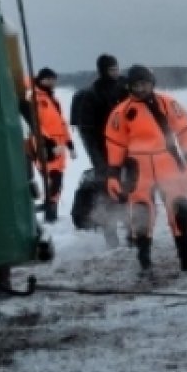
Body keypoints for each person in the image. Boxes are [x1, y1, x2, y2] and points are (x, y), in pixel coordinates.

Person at [105, 65, 187, 274]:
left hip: (168, 164)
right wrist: (113, 175)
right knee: (141, 214)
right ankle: (145, 263)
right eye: (136, 85)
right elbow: (115, 145)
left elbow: (185, 131)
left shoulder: (168, 104)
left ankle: (186, 260)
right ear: (129, 86)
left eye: (145, 84)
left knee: (180, 211)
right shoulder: (120, 113)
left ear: (152, 83)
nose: (141, 89)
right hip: (138, 170)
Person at [70, 54, 128, 244]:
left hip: (124, 147)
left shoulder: (123, 88)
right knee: (106, 191)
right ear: (102, 70)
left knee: (129, 188)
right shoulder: (92, 94)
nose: (115, 72)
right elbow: (88, 132)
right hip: (102, 149)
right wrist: (99, 160)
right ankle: (110, 234)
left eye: (116, 68)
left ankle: (131, 228)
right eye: (111, 69)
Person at [25, 67, 75, 222]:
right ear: (41, 80)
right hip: (45, 146)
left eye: (54, 79)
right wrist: (48, 142)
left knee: (56, 182)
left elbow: (61, 123)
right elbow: (35, 123)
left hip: (59, 146)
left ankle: (51, 213)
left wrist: (70, 144)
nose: (52, 82)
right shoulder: (35, 98)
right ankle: (50, 215)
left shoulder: (53, 99)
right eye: (48, 79)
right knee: (53, 180)